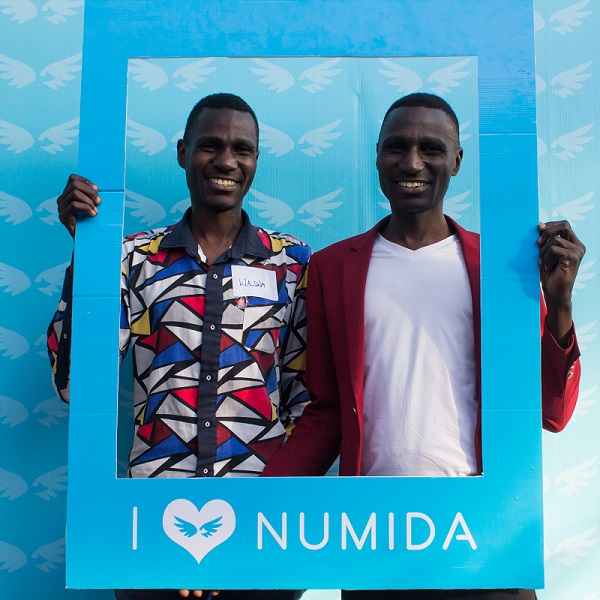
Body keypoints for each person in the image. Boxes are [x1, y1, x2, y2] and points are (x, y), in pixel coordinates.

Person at [262, 93, 585, 599]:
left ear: (457, 160)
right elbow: (325, 414)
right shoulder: (331, 269)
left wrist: (560, 304)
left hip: (482, 532)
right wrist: (250, 511)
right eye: (396, 147)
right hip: (373, 538)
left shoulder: (501, 268)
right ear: (377, 155)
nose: (412, 162)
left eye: (431, 148)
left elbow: (551, 412)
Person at [47, 93, 310, 600]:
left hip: (263, 529)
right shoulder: (132, 259)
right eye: (210, 145)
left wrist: (262, 518)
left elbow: (306, 396)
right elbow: (76, 382)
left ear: (256, 160)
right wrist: (90, 254)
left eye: (243, 149)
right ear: (182, 152)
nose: (227, 161)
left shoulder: (292, 264)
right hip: (150, 526)